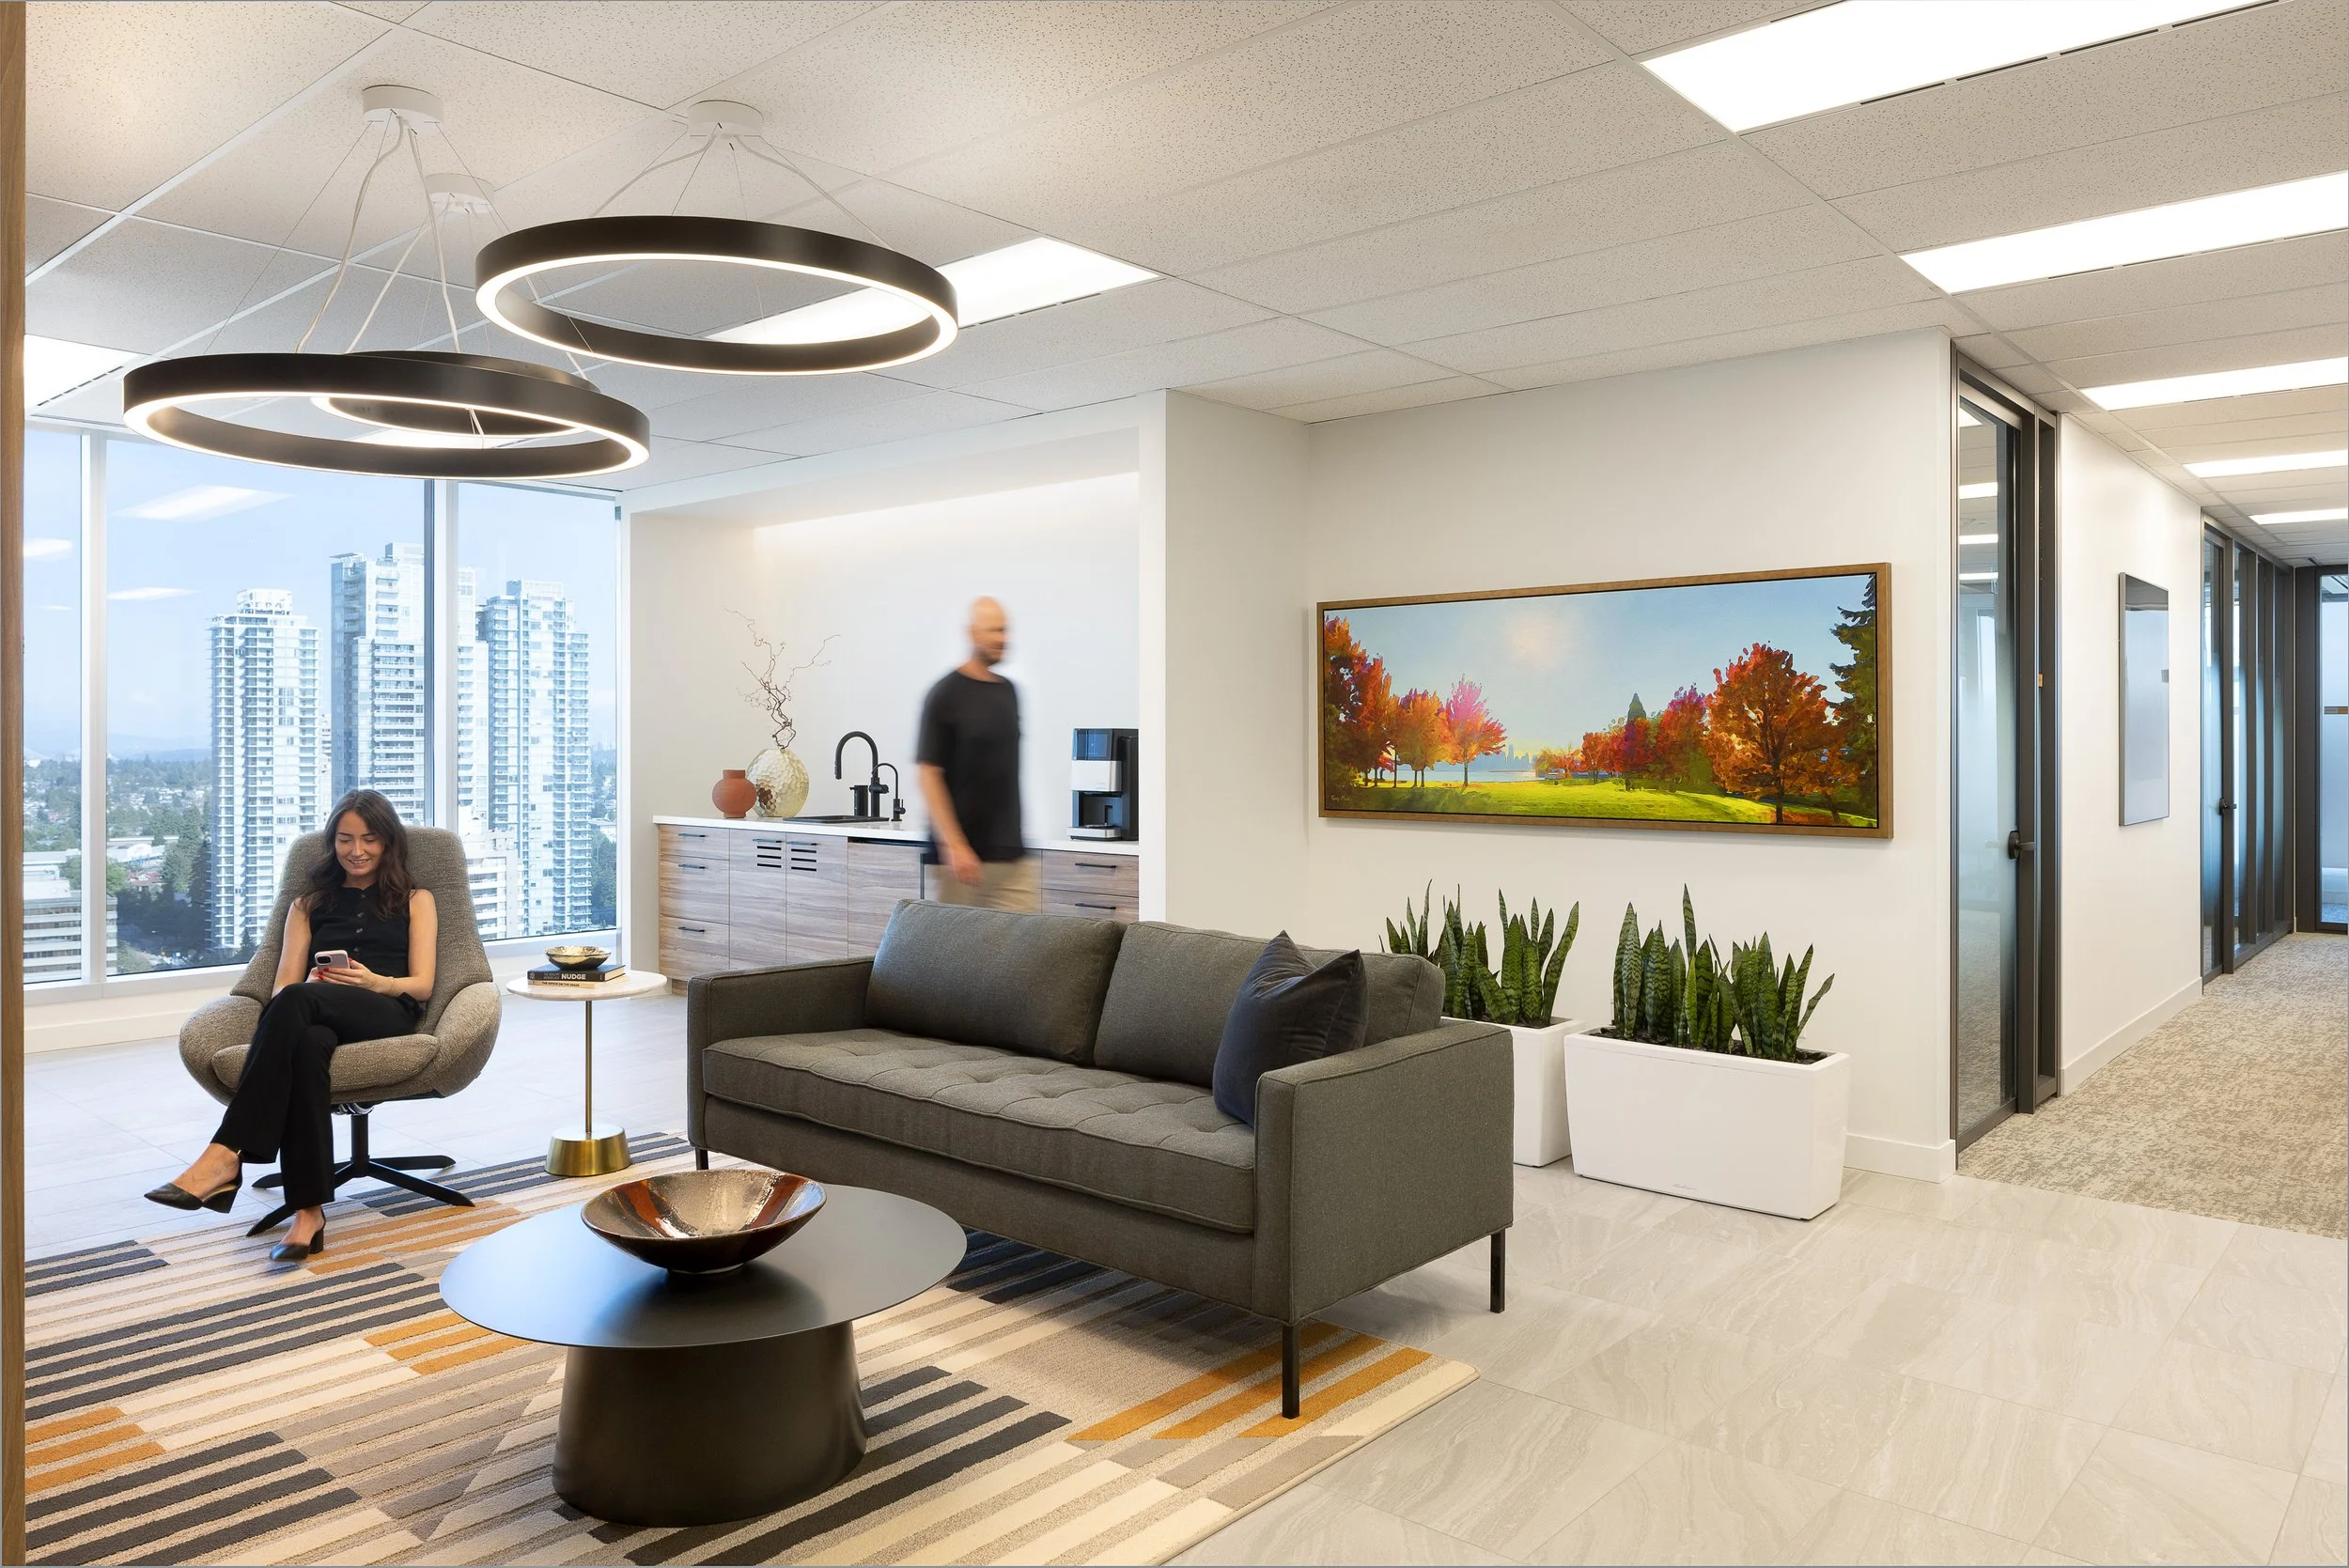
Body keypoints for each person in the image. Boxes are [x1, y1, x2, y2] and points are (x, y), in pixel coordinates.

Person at [146, 789, 437, 1264]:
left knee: (302, 1006)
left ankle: (227, 1153)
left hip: (386, 1010)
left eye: (369, 839)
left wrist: (373, 981)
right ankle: (308, 1214)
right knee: (307, 1043)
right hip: (317, 1011)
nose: (356, 850)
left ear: (388, 843)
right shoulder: (308, 903)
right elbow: (284, 988)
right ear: (332, 842)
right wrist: (317, 986)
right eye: (345, 839)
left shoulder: (416, 899)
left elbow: (422, 986)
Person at [916, 596, 1037, 911]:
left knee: (1027, 956)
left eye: (1005, 630)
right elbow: (928, 774)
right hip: (959, 862)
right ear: (972, 634)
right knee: (951, 958)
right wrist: (954, 845)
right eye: (994, 631)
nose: (1003, 639)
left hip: (1010, 857)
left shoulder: (1009, 692)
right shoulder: (945, 694)